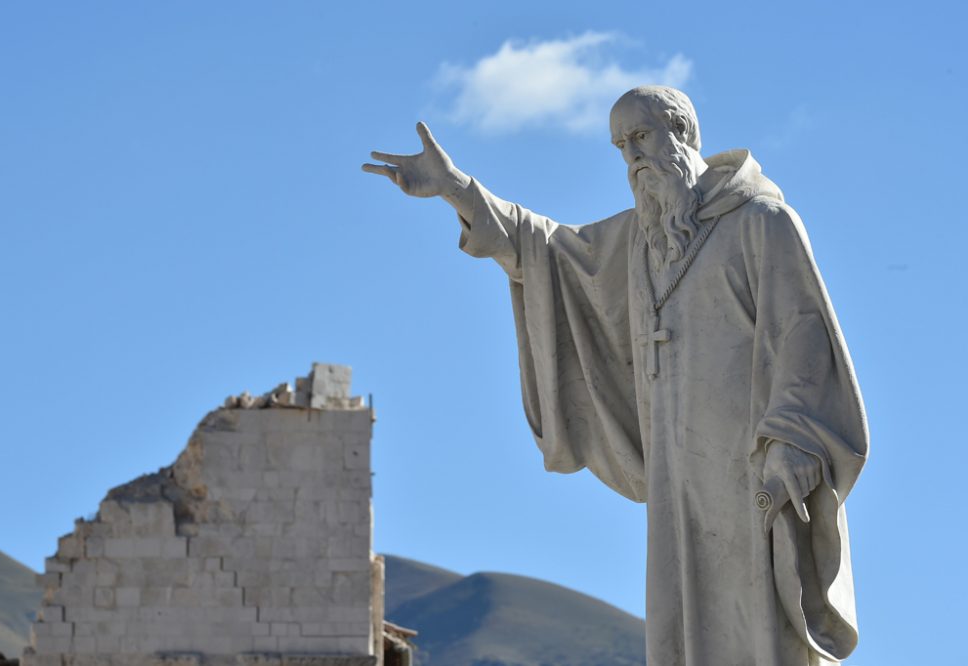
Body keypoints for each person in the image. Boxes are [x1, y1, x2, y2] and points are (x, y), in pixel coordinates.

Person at [364, 86, 867, 666]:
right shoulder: (638, 241)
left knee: (757, 631)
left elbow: (803, 339)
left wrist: (792, 446)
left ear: (684, 135)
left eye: (642, 137)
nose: (632, 156)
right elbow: (545, 248)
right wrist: (457, 189)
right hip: (676, 480)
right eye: (621, 145)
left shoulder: (761, 223)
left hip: (747, 472)